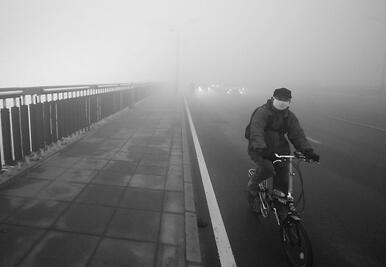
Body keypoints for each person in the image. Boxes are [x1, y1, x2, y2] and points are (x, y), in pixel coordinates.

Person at [246, 87, 320, 219]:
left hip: (281, 150)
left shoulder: (289, 117)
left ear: (290, 101)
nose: (282, 102)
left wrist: (307, 151)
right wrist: (261, 149)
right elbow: (256, 131)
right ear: (273, 98)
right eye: (279, 99)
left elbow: (297, 134)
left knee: (284, 180)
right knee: (268, 168)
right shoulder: (263, 112)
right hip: (259, 150)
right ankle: (252, 187)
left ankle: (280, 206)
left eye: (285, 100)